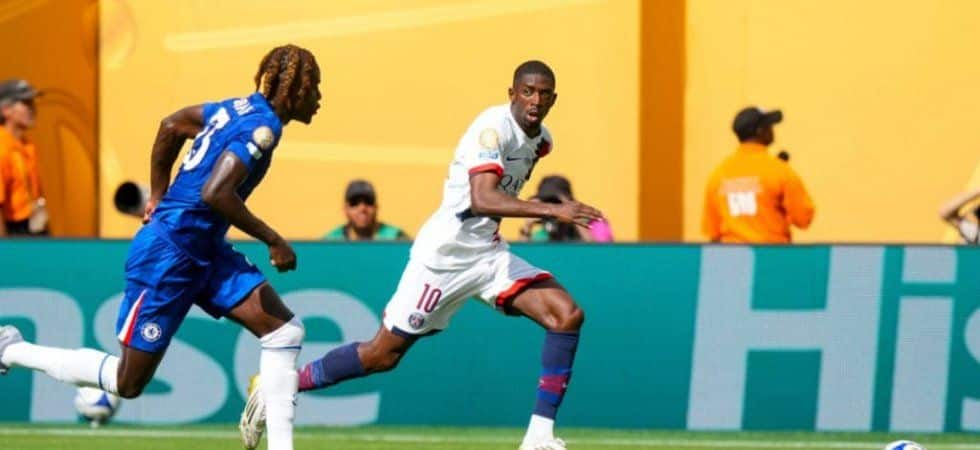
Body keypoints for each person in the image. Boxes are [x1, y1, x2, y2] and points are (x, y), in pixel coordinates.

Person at [241, 60, 601, 450]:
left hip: (488, 254)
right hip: (444, 258)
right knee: (382, 355)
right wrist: (550, 210)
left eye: (544, 94)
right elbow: (482, 199)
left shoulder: (541, 141)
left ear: (553, 100)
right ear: (511, 93)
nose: (535, 100)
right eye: (527, 92)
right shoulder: (491, 129)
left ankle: (538, 437)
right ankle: (280, 385)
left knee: (566, 315)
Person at [0, 44, 321, 450]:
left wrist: (157, 193)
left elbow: (171, 125)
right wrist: (273, 240)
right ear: (296, 89)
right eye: (315, 87)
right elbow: (216, 193)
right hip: (168, 254)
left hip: (205, 249)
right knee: (128, 382)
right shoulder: (264, 128)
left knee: (284, 331)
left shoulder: (231, 108)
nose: (319, 98)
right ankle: (13, 349)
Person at [701, 106, 815, 243]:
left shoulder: (719, 174)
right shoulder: (779, 170)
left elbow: (713, 233)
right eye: (769, 126)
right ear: (760, 131)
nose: (772, 130)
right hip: (772, 253)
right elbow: (803, 218)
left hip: (732, 253)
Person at [0, 79, 47, 236]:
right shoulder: (2, 148)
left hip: (33, 229)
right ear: (6, 110)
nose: (33, 109)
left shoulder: (26, 146)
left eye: (32, 103)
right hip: (14, 231)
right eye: (26, 103)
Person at [519, 174, 613, 242]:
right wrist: (527, 227)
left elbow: (600, 254)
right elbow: (524, 256)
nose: (553, 206)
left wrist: (575, 218)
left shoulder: (595, 223)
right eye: (547, 203)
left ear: (570, 201)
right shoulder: (544, 231)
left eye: (557, 202)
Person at [323, 179, 409, 241]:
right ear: (345, 209)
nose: (362, 208)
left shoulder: (396, 238)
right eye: (354, 203)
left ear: (376, 207)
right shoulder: (331, 242)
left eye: (368, 202)